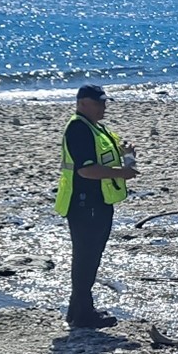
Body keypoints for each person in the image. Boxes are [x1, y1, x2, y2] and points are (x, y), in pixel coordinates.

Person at [55, 85, 138, 328]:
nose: (104, 107)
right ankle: (83, 314)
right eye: (98, 102)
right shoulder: (79, 128)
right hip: (84, 203)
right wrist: (121, 172)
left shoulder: (96, 128)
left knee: (91, 257)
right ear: (82, 103)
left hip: (98, 201)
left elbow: (105, 155)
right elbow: (86, 169)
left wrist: (125, 152)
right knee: (86, 258)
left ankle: (77, 309)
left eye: (104, 102)